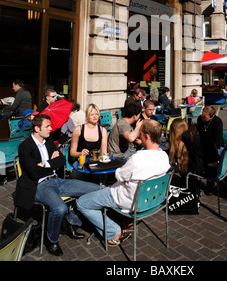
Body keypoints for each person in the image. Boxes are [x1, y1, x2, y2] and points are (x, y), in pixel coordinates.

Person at [15, 114, 100, 256]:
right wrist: (50, 163)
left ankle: (71, 222)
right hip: (40, 185)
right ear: (37, 128)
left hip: (57, 180)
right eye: (47, 126)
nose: (51, 128)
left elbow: (61, 160)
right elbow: (34, 173)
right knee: (60, 207)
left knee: (95, 189)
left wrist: (45, 163)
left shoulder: (47, 141)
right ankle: (52, 240)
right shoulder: (25, 147)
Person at [77, 119, 170, 246]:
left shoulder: (138, 158)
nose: (138, 136)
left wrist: (122, 168)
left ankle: (113, 231)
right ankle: (121, 222)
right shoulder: (164, 156)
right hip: (151, 201)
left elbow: (119, 175)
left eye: (140, 133)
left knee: (82, 203)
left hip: (126, 199)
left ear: (147, 136)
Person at [70, 104, 108, 180]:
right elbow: (72, 152)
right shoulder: (78, 129)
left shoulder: (102, 130)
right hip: (82, 166)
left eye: (97, 114)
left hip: (96, 166)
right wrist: (80, 153)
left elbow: (104, 153)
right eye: (92, 114)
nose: (95, 117)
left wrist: (103, 157)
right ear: (87, 116)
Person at [197, 105, 224, 177]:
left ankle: (210, 179)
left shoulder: (217, 122)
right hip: (204, 145)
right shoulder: (200, 119)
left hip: (215, 146)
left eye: (205, 117)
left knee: (211, 162)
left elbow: (217, 140)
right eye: (202, 116)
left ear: (212, 116)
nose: (202, 119)